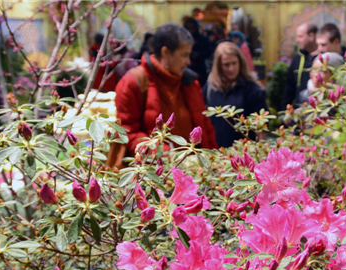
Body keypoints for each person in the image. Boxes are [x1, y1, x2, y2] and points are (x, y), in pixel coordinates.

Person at [109, 23, 217, 169]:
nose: (188, 62)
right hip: (153, 174)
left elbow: (205, 126)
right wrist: (167, 155)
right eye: (184, 55)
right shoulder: (133, 83)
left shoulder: (191, 83)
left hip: (196, 173)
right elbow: (128, 132)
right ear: (165, 52)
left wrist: (212, 160)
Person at [202, 42, 267, 148]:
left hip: (243, 152)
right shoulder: (210, 87)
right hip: (215, 153)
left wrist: (260, 151)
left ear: (240, 63)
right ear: (219, 66)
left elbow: (262, 127)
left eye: (234, 63)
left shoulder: (252, 89)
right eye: (226, 65)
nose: (231, 69)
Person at [281, 22, 318, 109]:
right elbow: (289, 87)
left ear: (311, 36)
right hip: (300, 111)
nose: (297, 40)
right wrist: (284, 110)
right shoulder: (297, 58)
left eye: (300, 36)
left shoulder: (323, 58)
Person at [184, 18, 212, 86]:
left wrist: (198, 54)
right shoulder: (182, 39)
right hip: (186, 68)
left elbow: (209, 52)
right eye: (188, 28)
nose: (190, 30)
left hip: (200, 68)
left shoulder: (203, 39)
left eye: (192, 28)